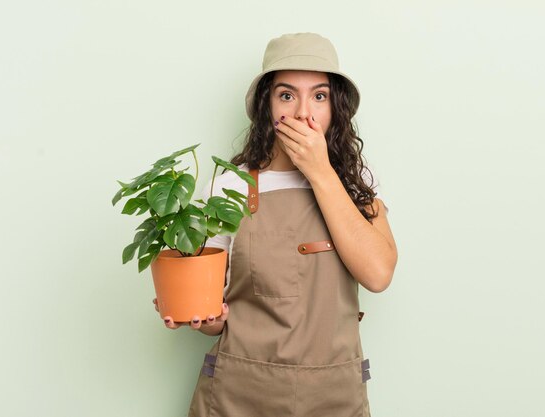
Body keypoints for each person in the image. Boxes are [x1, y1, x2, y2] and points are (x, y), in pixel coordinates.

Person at [155, 32, 398, 417]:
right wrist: (203, 319)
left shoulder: (356, 179)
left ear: (335, 107)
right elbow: (213, 313)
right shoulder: (231, 182)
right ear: (267, 105)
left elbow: (379, 274)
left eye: (319, 96)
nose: (304, 113)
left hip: (333, 395)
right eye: (287, 95)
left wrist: (321, 172)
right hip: (239, 393)